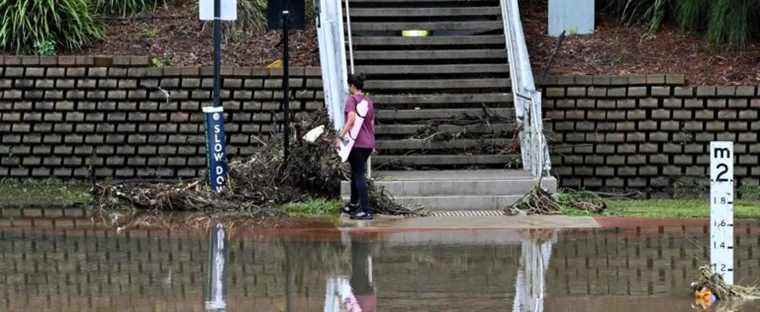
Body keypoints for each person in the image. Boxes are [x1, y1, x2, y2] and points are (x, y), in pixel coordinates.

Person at [337, 74, 375, 220]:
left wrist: (340, 137)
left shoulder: (351, 100)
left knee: (359, 175)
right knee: (356, 173)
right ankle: (353, 205)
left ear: (352, 86)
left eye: (349, 86)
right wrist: (373, 142)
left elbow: (351, 119)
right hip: (368, 143)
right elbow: (371, 123)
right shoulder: (368, 101)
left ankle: (365, 210)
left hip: (357, 143)